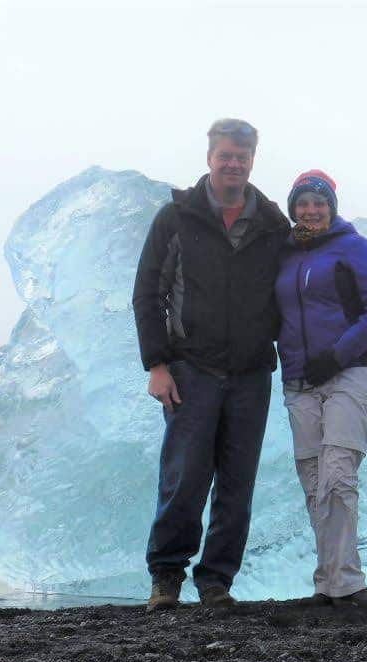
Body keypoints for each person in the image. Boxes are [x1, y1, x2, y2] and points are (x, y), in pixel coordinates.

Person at [132, 119, 290, 609]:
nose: (233, 164)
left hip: (249, 372)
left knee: (237, 483)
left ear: (252, 161)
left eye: (242, 157)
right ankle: (166, 577)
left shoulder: (272, 224)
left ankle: (216, 581)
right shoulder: (177, 218)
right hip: (190, 369)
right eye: (225, 155)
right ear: (209, 158)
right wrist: (157, 365)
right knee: (184, 476)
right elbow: (147, 295)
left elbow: (290, 294)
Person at [275, 170, 367, 606]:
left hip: (352, 372)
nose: (311, 210)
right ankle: (328, 581)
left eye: (318, 203)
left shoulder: (354, 247)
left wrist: (338, 354)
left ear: (332, 207)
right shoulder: (285, 256)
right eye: (303, 203)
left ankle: (349, 582)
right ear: (293, 209)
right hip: (300, 379)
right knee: (313, 479)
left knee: (338, 473)